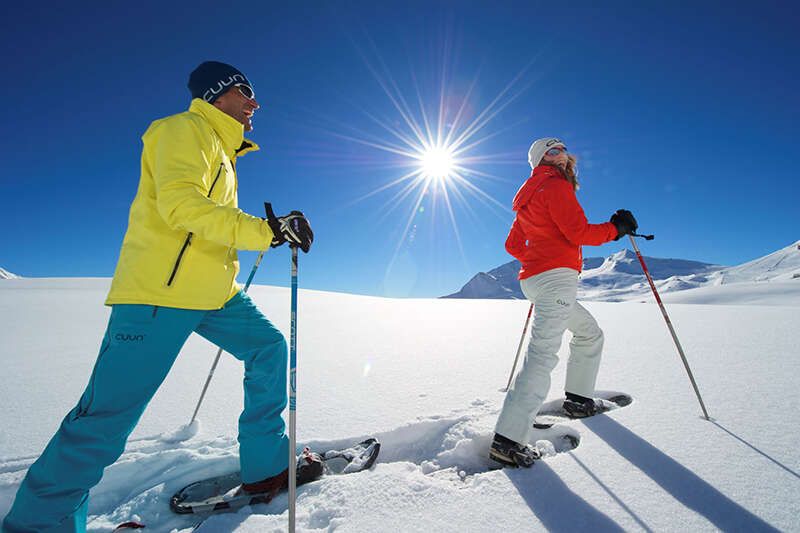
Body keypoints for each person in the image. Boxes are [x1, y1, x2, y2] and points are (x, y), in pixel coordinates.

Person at [2, 61, 314, 532]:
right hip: (159, 296)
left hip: (212, 294)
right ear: (216, 94)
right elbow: (181, 206)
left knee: (268, 348)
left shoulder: (224, 152)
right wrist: (263, 229)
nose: (255, 103)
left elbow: (207, 221)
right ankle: (39, 525)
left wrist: (269, 228)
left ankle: (267, 464)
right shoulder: (181, 130)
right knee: (103, 420)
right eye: (244, 92)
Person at [489, 137, 637, 468]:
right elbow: (578, 232)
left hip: (539, 280)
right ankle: (508, 441)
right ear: (541, 158)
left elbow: (513, 244)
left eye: (564, 149)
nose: (562, 155)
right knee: (542, 355)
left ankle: (579, 400)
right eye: (553, 150)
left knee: (588, 333)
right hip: (555, 279)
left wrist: (537, 258)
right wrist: (616, 229)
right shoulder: (554, 186)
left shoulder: (528, 196)